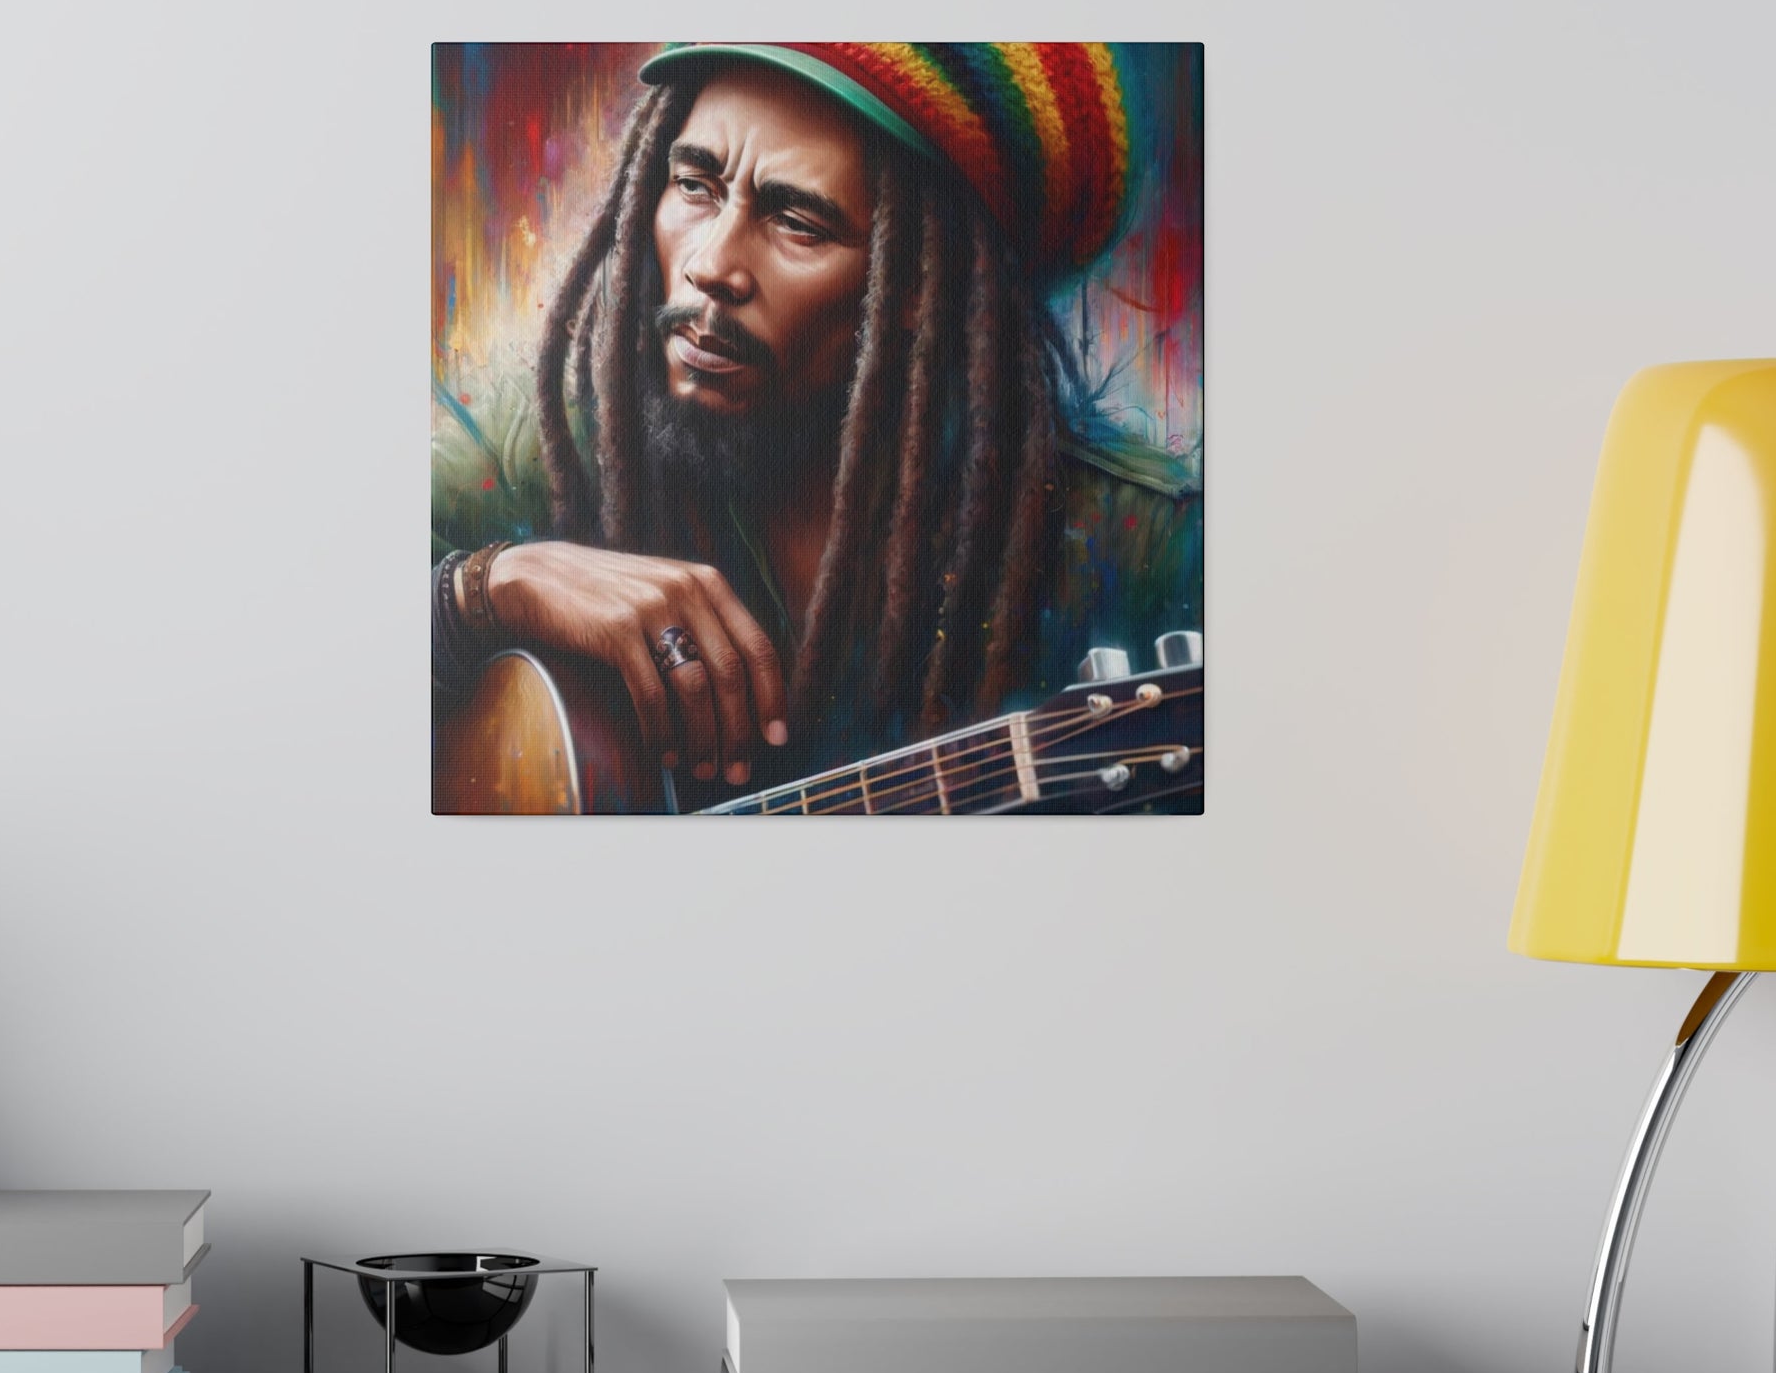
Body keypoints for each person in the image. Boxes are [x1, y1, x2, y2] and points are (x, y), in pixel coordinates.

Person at [431, 42, 1202, 803]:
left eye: (798, 222)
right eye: (695, 184)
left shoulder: (1143, 554)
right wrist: (491, 588)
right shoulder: (551, 445)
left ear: (924, 291)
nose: (711, 264)